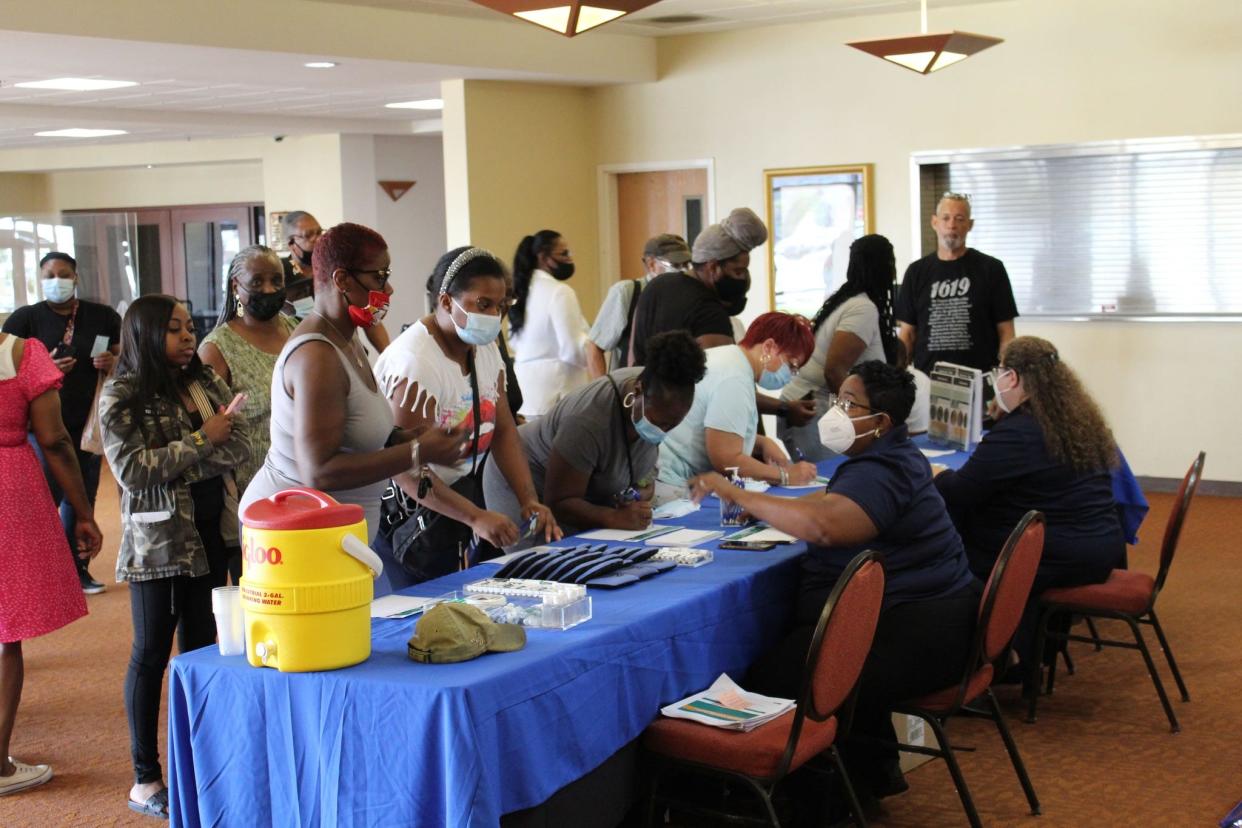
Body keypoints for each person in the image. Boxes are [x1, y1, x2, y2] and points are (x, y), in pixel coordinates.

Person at [691, 360, 979, 802]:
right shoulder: (891, 455)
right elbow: (835, 499)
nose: (836, 411)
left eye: (849, 403)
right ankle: (867, 778)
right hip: (931, 622)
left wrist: (736, 492)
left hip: (918, 636)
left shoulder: (882, 470)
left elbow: (829, 525)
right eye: (837, 399)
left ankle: (808, 803)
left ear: (881, 422)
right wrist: (768, 507)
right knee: (800, 649)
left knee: (772, 674)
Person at [98, 295, 251, 818]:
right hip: (159, 543)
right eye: (174, 330)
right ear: (144, 334)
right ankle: (145, 777)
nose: (188, 338)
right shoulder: (122, 393)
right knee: (151, 652)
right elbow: (134, 471)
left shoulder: (202, 381)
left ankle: (200, 762)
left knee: (203, 649)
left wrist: (195, 451)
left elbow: (242, 445)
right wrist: (202, 440)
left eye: (190, 328)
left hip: (214, 531)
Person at [240, 223, 464, 548]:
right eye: (379, 277)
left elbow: (352, 433)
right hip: (296, 535)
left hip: (334, 531)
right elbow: (319, 471)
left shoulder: (347, 338)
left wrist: (407, 437)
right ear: (342, 279)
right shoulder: (317, 355)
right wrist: (416, 452)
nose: (388, 290)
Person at [934, 336, 1124, 680]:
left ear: (1014, 378)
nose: (997, 378)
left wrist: (936, 474)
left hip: (1059, 552)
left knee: (951, 548)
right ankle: (1020, 646)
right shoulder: (1075, 422)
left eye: (1001, 370)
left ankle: (988, 657)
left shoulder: (1020, 433)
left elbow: (962, 491)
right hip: (1102, 544)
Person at [373, 247, 560, 589]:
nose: (494, 316)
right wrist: (475, 517)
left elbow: (503, 429)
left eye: (502, 307)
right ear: (446, 302)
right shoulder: (415, 363)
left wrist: (528, 499)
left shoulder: (484, 347)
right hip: (410, 515)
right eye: (482, 304)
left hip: (459, 500)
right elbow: (404, 467)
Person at [0, 333, 102, 797]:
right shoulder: (19, 353)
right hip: (9, 489)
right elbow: (55, 440)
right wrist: (82, 512)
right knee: (6, 632)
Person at [485, 330, 706, 543]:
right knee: (544, 567)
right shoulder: (589, 420)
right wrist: (613, 517)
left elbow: (643, 478)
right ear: (637, 393)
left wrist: (637, 493)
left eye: (672, 425)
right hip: (523, 477)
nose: (663, 431)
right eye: (660, 423)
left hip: (578, 492)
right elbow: (560, 502)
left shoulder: (657, 389)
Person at [628, 208, 816, 428]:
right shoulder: (709, 313)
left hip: (640, 413)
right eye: (738, 271)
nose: (744, 279)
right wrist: (783, 409)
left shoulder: (657, 286)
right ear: (713, 267)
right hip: (680, 425)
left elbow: (633, 356)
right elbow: (724, 384)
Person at [3, 251, 120, 594]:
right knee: (43, 499)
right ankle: (39, 572)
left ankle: (77, 570)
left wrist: (111, 359)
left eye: (63, 274)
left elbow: (122, 353)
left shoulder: (100, 315)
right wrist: (45, 369)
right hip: (41, 428)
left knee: (82, 495)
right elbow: (9, 368)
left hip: (88, 422)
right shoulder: (25, 319)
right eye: (50, 275)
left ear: (76, 276)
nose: (57, 281)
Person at [198, 245, 297, 582]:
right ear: (235, 286)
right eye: (257, 282)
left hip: (307, 483)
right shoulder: (217, 348)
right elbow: (209, 429)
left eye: (276, 280)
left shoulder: (299, 329)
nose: (268, 290)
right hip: (253, 495)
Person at [655, 312, 819, 503]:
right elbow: (727, 459)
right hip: (674, 482)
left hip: (667, 471)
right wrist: (785, 475)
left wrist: (762, 443)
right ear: (768, 347)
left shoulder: (729, 359)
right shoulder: (735, 378)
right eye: (791, 365)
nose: (790, 375)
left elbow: (718, 428)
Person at [778, 234, 899, 461]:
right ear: (885, 269)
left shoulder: (850, 301)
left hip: (810, 409)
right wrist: (852, 418)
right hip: (814, 412)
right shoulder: (863, 308)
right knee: (830, 485)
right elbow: (834, 370)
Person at [895, 192, 1018, 374]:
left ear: (970, 225)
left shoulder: (991, 269)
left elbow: (1006, 332)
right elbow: (907, 333)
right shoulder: (916, 272)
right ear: (934, 222)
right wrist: (897, 376)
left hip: (980, 379)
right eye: (946, 218)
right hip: (929, 379)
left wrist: (1005, 375)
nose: (952, 225)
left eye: (959, 219)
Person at [280, 210, 390, 351]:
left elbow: (368, 315)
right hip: (311, 350)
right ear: (291, 243)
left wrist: (389, 356)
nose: (318, 239)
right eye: (308, 235)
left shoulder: (335, 269)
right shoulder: (281, 276)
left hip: (349, 347)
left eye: (319, 232)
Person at [507, 230, 590, 417]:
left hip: (526, 395)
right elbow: (572, 349)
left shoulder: (521, 291)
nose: (569, 259)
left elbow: (514, 342)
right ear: (544, 258)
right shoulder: (560, 292)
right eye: (564, 253)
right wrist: (593, 346)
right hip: (558, 394)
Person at [585, 233, 691, 378]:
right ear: (651, 265)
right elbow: (594, 348)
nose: (683, 271)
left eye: (687, 264)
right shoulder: (627, 292)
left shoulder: (689, 296)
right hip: (632, 391)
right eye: (676, 265)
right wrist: (607, 395)